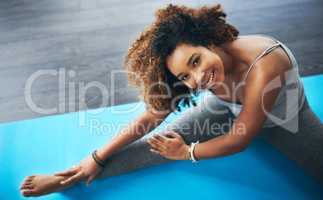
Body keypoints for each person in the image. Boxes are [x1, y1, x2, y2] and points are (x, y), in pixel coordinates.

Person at [20, 4, 323, 197]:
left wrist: (187, 152)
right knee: (159, 144)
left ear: (208, 41)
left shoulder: (266, 61)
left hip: (286, 121)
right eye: (185, 77)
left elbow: (240, 138)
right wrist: (94, 158)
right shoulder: (200, 78)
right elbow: (150, 118)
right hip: (225, 109)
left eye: (195, 61)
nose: (197, 79)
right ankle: (70, 177)